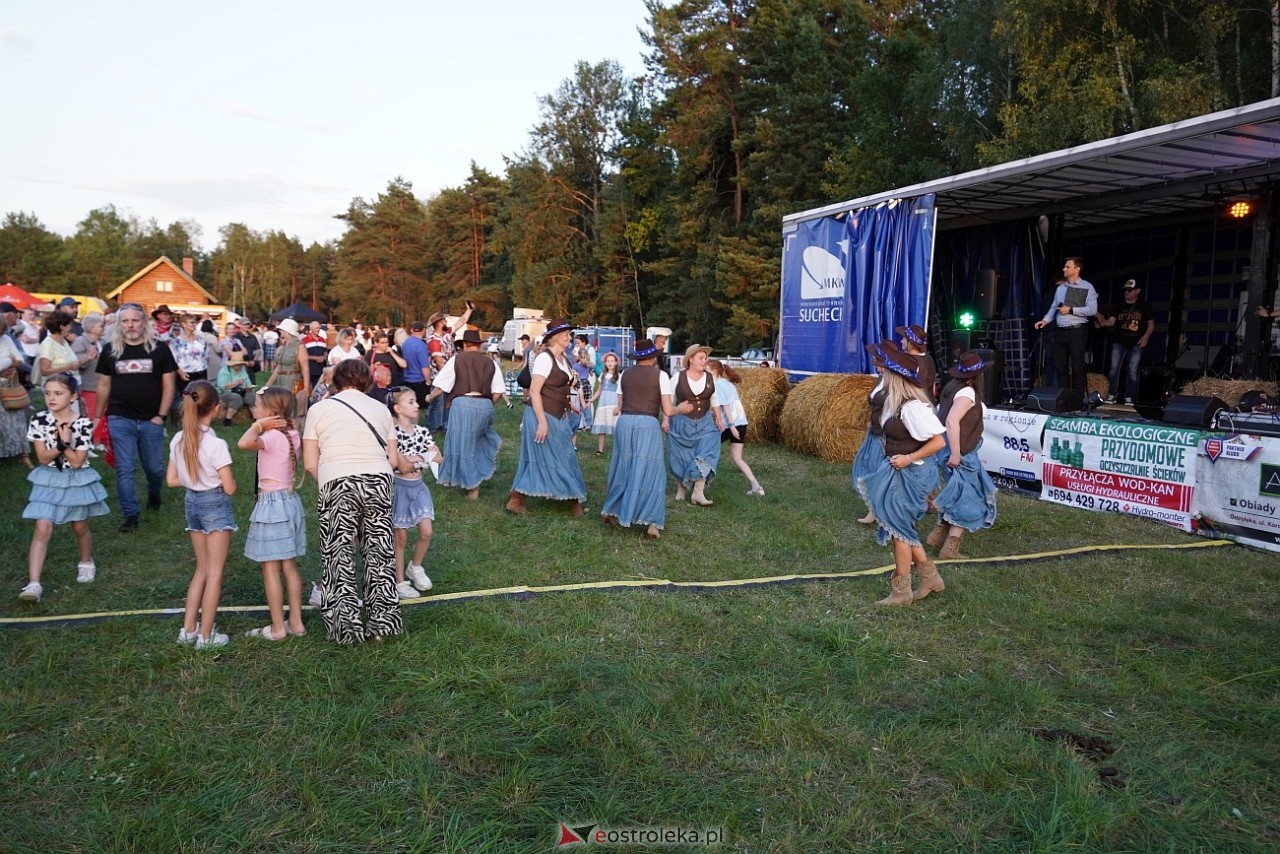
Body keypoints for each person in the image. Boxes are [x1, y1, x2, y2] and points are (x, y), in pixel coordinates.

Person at [303, 358, 403, 644]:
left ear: (335, 381)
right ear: (367, 381)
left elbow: (311, 462)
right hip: (379, 480)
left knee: (338, 555)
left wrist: (329, 483)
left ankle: (345, 629)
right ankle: (383, 625)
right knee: (380, 554)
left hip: (337, 479)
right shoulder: (381, 409)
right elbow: (392, 459)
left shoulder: (319, 409)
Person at [861, 347, 946, 606]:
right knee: (901, 529)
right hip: (900, 468)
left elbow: (938, 442)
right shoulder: (895, 404)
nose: (881, 375)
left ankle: (901, 592)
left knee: (899, 531)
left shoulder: (912, 408)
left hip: (912, 471)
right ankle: (930, 578)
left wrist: (908, 458)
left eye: (885, 372)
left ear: (894, 377)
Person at [20, 374, 109, 602]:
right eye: (47, 393)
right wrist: (61, 443)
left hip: (75, 478)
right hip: (48, 478)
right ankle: (33, 584)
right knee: (42, 526)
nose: (51, 397)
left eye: (58, 393)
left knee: (79, 526)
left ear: (73, 396)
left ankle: (86, 560)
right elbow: (42, 457)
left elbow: (78, 461)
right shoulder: (39, 420)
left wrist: (64, 441)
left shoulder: (82, 423)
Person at [94, 302, 178, 532]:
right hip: (120, 418)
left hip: (152, 419)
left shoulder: (159, 349)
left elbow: (170, 385)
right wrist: (96, 418)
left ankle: (154, 493)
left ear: (144, 322)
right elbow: (103, 385)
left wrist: (161, 416)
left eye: (135, 320)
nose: (130, 325)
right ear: (119, 323)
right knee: (125, 468)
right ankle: (130, 514)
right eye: (125, 321)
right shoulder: (110, 349)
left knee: (154, 468)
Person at [166, 381, 237, 649]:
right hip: (214, 505)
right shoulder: (216, 444)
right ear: (216, 408)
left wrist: (194, 481)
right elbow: (229, 487)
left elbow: (172, 480)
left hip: (191, 504)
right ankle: (206, 637)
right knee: (215, 573)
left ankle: (188, 630)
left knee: (201, 569)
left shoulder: (177, 438)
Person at [600, 340, 694, 539]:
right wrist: (681, 409)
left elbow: (620, 404)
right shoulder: (661, 375)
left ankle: (610, 510)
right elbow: (668, 410)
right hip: (647, 424)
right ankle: (652, 523)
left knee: (622, 467)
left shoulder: (624, 374)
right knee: (651, 471)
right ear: (653, 357)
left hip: (624, 422)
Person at [237, 387, 307, 641]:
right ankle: (296, 622)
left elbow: (243, 443)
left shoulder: (272, 436)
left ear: (269, 412)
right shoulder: (291, 433)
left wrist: (258, 425)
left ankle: (278, 628)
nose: (255, 410)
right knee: (289, 565)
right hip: (289, 502)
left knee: (270, 568)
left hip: (272, 504)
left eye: (258, 407)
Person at [505, 318, 588, 516]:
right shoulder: (545, 358)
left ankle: (572, 499)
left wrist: (570, 407)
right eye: (567, 334)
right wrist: (542, 422)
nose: (570, 337)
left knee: (565, 455)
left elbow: (561, 388)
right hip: (541, 415)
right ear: (557, 337)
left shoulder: (564, 359)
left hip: (558, 415)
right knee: (540, 456)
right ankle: (517, 500)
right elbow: (534, 391)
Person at [926, 352, 998, 568]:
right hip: (961, 454)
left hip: (948, 450)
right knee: (970, 498)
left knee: (955, 494)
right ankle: (951, 547)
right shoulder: (967, 393)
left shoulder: (953, 389)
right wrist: (956, 453)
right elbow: (952, 420)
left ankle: (938, 537)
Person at [428, 328, 505, 500]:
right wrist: (487, 403)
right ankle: (476, 476)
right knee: (478, 442)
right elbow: (498, 391)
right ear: (478, 345)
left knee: (464, 446)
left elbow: (442, 386)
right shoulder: (491, 363)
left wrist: (430, 396)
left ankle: (472, 486)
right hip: (485, 405)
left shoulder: (457, 360)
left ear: (464, 345)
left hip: (462, 405)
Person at [387, 387, 439, 600]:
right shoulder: (392, 434)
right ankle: (399, 581)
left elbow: (437, 457)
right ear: (398, 408)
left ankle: (415, 566)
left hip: (418, 488)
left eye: (416, 401)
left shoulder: (423, 432)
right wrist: (421, 458)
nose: (417, 405)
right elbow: (397, 464)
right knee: (400, 537)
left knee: (426, 531)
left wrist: (415, 458)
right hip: (399, 488)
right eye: (411, 402)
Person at [667, 344, 725, 507]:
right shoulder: (678, 377)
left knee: (708, 450)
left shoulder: (709, 378)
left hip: (705, 421)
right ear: (690, 359)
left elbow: (714, 399)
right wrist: (666, 419)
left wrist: (719, 419)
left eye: (705, 358)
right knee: (681, 456)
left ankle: (698, 492)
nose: (704, 361)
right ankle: (681, 489)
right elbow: (669, 400)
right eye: (701, 358)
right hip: (681, 421)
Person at [1035, 257, 1098, 398]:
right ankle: (1064, 398)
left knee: (1077, 365)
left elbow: (1092, 310)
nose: (1064, 269)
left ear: (1077, 269)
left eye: (1067, 267)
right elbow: (1054, 307)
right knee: (1060, 366)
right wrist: (1045, 321)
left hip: (1077, 330)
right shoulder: (1060, 289)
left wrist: (1071, 310)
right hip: (1060, 330)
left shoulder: (1087, 287)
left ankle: (1079, 398)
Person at [707, 358, 764, 496]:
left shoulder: (718, 385)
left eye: (706, 371)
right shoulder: (728, 384)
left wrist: (731, 427)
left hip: (730, 425)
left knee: (706, 449)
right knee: (737, 458)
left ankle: (702, 481)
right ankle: (756, 486)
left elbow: (726, 406)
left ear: (715, 371)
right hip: (741, 423)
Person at [852, 341, 893, 525]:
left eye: (875, 360)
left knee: (878, 470)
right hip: (874, 431)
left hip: (885, 434)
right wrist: (872, 419)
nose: (873, 362)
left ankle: (879, 511)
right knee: (867, 465)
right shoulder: (880, 378)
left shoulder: (893, 379)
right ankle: (874, 509)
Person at [1096, 279, 1154, 405]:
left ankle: (1130, 397)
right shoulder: (1118, 305)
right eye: (1125, 290)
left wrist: (1146, 337)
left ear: (1137, 291)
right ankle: (1112, 394)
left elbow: (1151, 323)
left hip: (1136, 342)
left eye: (1130, 290)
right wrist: (1102, 320)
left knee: (1132, 370)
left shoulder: (1144, 305)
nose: (1127, 292)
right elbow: (1111, 322)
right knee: (1113, 368)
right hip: (1120, 340)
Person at [425, 305, 474, 431]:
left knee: (448, 401)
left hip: (450, 374)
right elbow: (439, 362)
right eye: (445, 320)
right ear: (440, 323)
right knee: (438, 401)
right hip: (439, 376)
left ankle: (446, 425)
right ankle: (434, 427)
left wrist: (469, 310)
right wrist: (451, 376)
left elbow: (461, 321)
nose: (447, 322)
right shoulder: (434, 340)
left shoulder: (447, 334)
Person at [0, 313, 33, 467]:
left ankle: (22, 454)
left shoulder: (6, 339)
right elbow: (12, 359)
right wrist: (8, 360)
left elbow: (20, 359)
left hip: (10, 385)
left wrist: (10, 365)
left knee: (18, 418)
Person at [263, 317, 310, 422]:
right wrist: (268, 384)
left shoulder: (299, 346)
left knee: (290, 407)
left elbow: (305, 368)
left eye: (282, 330)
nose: (280, 332)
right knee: (279, 406)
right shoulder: (283, 346)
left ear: (287, 331)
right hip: (280, 380)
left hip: (292, 380)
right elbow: (278, 368)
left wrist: (306, 389)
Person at [71, 313, 105, 419]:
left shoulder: (103, 342)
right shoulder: (81, 341)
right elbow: (75, 363)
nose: (104, 328)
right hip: (89, 387)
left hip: (103, 386)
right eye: (101, 326)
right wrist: (87, 357)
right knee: (92, 416)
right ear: (91, 328)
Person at [35, 312, 79, 387]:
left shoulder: (64, 342)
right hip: (54, 388)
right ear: (62, 327)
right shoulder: (48, 344)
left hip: (67, 386)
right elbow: (44, 370)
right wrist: (68, 367)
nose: (71, 328)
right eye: (69, 325)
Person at [590, 352, 621, 454]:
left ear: (616, 362)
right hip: (603, 405)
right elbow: (599, 391)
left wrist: (619, 406)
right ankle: (600, 450)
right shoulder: (603, 376)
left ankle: (618, 450)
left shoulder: (618, 377)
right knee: (602, 428)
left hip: (613, 405)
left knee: (616, 427)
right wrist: (591, 400)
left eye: (612, 361)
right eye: (608, 361)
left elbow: (621, 392)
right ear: (605, 363)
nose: (610, 363)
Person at [896, 324, 936, 402]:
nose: (901, 341)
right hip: (929, 403)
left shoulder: (911, 361)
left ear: (910, 343)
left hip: (916, 406)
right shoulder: (929, 358)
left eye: (904, 339)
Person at [216, 352, 256, 425]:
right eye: (238, 364)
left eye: (241, 364)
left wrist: (249, 388)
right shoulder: (224, 371)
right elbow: (221, 386)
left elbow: (248, 383)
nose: (240, 366)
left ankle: (255, 418)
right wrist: (236, 383)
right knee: (236, 398)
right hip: (225, 392)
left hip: (241, 391)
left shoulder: (242, 370)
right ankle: (228, 419)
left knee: (252, 395)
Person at [402, 321, 431, 411]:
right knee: (421, 408)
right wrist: (428, 381)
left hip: (407, 380)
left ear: (412, 330)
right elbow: (424, 367)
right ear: (424, 330)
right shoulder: (421, 345)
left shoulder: (405, 343)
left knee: (410, 407)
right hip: (419, 380)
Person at [302, 320, 328, 390]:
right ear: (311, 329)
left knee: (317, 389)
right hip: (308, 369)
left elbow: (325, 351)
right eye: (316, 328)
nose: (318, 329)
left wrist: (324, 357)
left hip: (319, 369)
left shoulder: (322, 339)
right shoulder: (304, 340)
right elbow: (302, 355)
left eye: (319, 328)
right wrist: (315, 358)